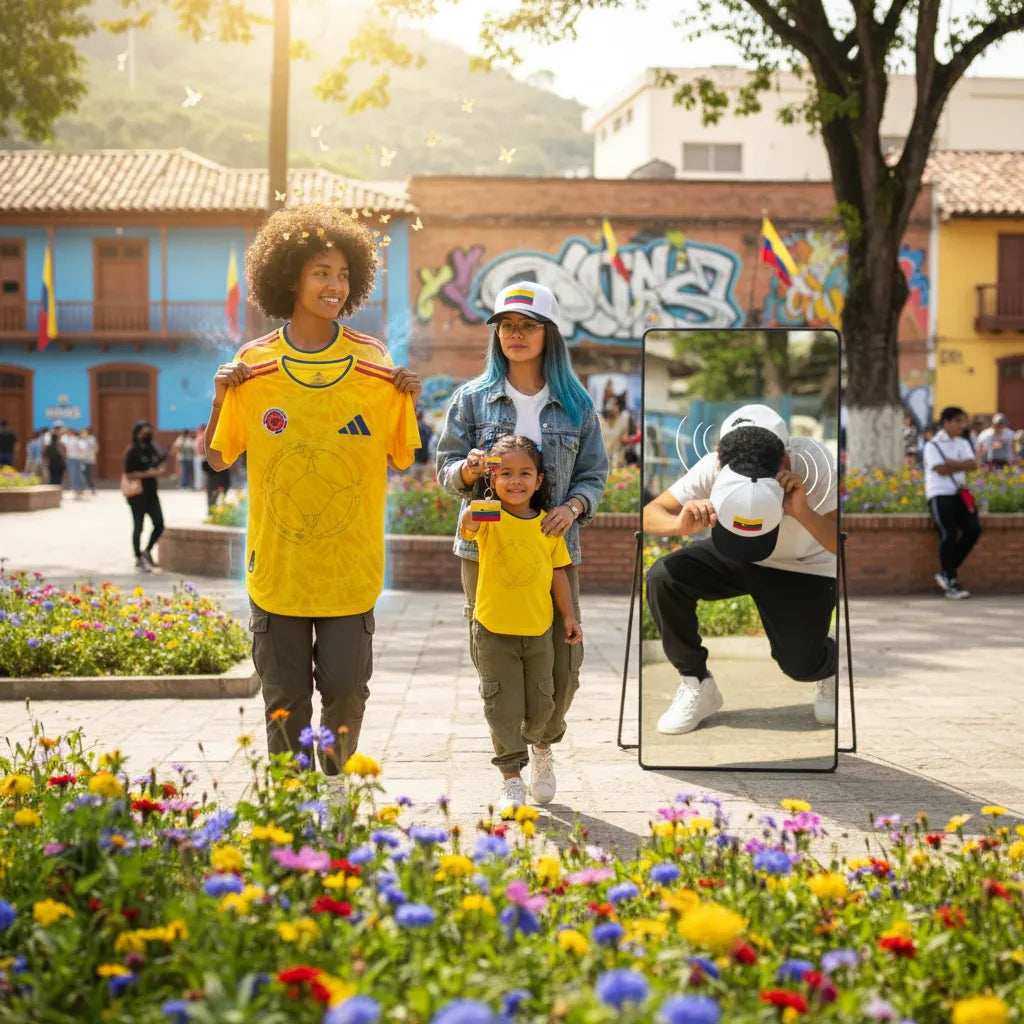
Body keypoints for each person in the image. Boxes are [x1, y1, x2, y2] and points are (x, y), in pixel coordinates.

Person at [205, 204, 422, 776]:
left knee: (348, 689)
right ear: (289, 278)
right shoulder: (253, 365)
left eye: (344, 274)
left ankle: (333, 768)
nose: (335, 285)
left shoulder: (373, 362)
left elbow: (398, 458)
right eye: (321, 272)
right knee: (284, 698)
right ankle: (292, 797)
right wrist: (221, 399)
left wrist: (402, 398)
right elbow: (218, 456)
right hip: (277, 569)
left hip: (351, 569)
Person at [436, 280, 608, 806]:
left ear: (548, 333)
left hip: (554, 548)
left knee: (563, 668)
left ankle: (543, 742)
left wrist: (572, 507)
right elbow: (445, 469)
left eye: (528, 325)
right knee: (498, 669)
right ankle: (510, 769)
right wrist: (468, 470)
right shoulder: (471, 399)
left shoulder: (576, 404)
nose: (515, 334)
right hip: (484, 552)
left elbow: (594, 474)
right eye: (507, 325)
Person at [643, 404, 838, 735]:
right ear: (721, 459)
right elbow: (650, 512)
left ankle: (828, 665)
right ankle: (696, 684)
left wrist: (803, 512)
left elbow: (840, 544)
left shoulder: (815, 464)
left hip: (805, 566)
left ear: (784, 460)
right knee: (665, 576)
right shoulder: (715, 465)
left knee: (801, 666)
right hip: (733, 552)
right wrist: (679, 524)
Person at [459, 435, 583, 810]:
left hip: (538, 630)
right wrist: (479, 487)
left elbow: (559, 574)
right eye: (506, 473)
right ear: (494, 479)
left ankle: (540, 749)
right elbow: (467, 526)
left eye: (525, 473)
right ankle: (511, 778)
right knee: (502, 706)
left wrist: (569, 616)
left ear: (539, 480)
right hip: (493, 631)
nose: (516, 481)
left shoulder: (547, 525)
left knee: (543, 702)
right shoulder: (490, 516)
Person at [924, 405, 982, 599]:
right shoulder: (933, 445)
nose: (962, 425)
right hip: (940, 494)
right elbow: (940, 470)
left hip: (960, 493)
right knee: (948, 533)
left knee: (973, 529)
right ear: (946, 423)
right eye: (958, 421)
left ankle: (946, 572)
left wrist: (951, 463)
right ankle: (951, 580)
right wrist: (961, 464)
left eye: (963, 421)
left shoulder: (963, 443)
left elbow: (973, 465)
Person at [123, 420, 169, 572]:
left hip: (151, 493)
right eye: (144, 432)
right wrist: (147, 474)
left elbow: (159, 464)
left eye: (149, 432)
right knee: (139, 526)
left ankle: (147, 550)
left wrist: (159, 469)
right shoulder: (132, 452)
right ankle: (138, 558)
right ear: (137, 434)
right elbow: (129, 474)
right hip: (137, 495)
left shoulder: (152, 449)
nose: (147, 435)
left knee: (159, 524)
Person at [600, 395, 631, 471]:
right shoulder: (601, 421)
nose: (614, 408)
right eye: (611, 405)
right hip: (603, 462)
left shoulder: (623, 420)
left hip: (618, 461)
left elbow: (625, 437)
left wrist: (626, 440)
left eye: (615, 405)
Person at [80, 427, 98, 494]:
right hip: (82, 460)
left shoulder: (92, 439)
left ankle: (92, 488)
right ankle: (82, 488)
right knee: (82, 475)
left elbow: (96, 447)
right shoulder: (80, 440)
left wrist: (93, 455)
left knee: (89, 474)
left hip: (89, 460)